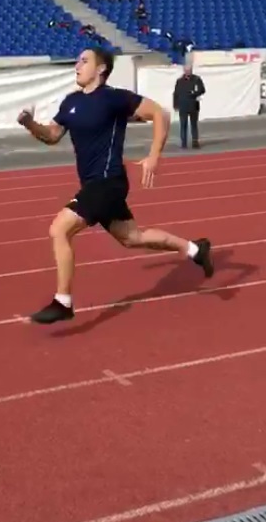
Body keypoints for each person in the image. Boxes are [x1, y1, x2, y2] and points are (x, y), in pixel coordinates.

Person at [17, 47, 214, 324]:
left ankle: (63, 302)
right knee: (133, 238)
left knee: (59, 229)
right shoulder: (71, 102)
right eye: (77, 61)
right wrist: (29, 123)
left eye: (84, 61)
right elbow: (51, 135)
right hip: (94, 184)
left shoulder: (114, 98)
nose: (77, 65)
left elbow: (159, 113)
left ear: (101, 69)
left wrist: (153, 156)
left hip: (108, 182)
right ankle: (194, 249)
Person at [173, 65, 205, 149]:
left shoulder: (196, 79)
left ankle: (195, 141)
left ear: (191, 70)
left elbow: (202, 90)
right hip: (183, 106)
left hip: (193, 105)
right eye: (186, 70)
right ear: (184, 71)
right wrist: (175, 105)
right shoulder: (179, 81)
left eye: (189, 70)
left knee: (194, 124)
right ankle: (183, 142)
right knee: (183, 124)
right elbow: (176, 93)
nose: (188, 72)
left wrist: (194, 93)